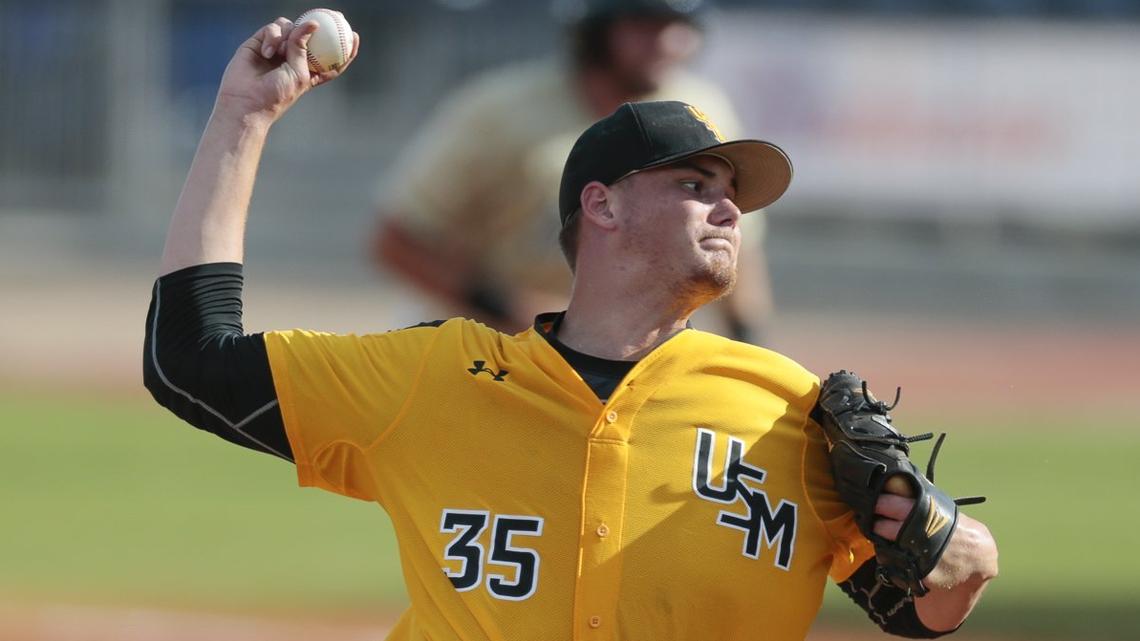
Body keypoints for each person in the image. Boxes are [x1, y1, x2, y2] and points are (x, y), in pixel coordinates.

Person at [145, 16, 998, 641]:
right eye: (698, 182)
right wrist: (241, 119)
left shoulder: (789, 407)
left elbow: (919, 609)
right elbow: (188, 361)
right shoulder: (435, 375)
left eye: (734, 191)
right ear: (603, 205)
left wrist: (965, 554)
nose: (731, 206)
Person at [372, 0, 773, 342]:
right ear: (596, 29)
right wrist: (521, 312)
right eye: (643, 26)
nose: (667, 44)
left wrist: (753, 354)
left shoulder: (701, 110)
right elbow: (398, 241)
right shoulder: (498, 111)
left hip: (622, 354)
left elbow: (739, 252)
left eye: (678, 26)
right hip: (480, 346)